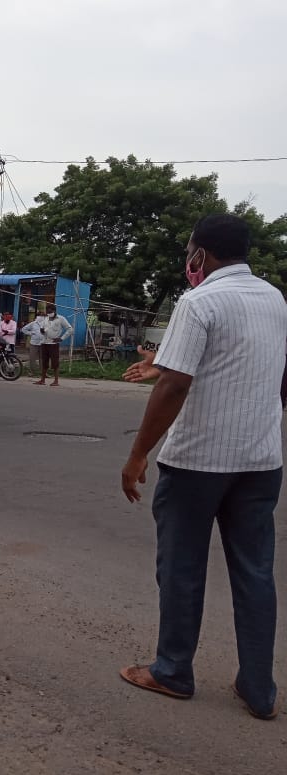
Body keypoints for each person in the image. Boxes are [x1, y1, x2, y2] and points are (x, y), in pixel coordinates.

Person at [119, 214, 287, 721]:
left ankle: (172, 671)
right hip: (261, 462)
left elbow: (175, 386)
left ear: (201, 255)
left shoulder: (199, 301)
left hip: (198, 464)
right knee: (256, 573)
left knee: (182, 569)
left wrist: (136, 454)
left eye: (190, 250)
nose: (188, 259)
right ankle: (259, 689)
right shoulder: (275, 299)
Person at [34, 308, 73, 386]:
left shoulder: (61, 319)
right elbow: (42, 329)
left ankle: (56, 381)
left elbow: (70, 329)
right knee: (44, 362)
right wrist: (42, 331)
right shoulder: (45, 319)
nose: (49, 313)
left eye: (50, 312)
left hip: (53, 343)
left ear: (54, 311)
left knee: (55, 362)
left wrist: (61, 338)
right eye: (47, 312)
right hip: (44, 342)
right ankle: (42, 380)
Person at [20, 311, 46, 377]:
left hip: (43, 343)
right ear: (37, 316)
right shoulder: (33, 324)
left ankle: (43, 373)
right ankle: (32, 372)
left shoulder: (46, 323)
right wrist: (31, 333)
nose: (42, 317)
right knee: (32, 358)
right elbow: (23, 329)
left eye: (43, 316)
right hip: (34, 343)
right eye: (40, 315)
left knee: (43, 358)